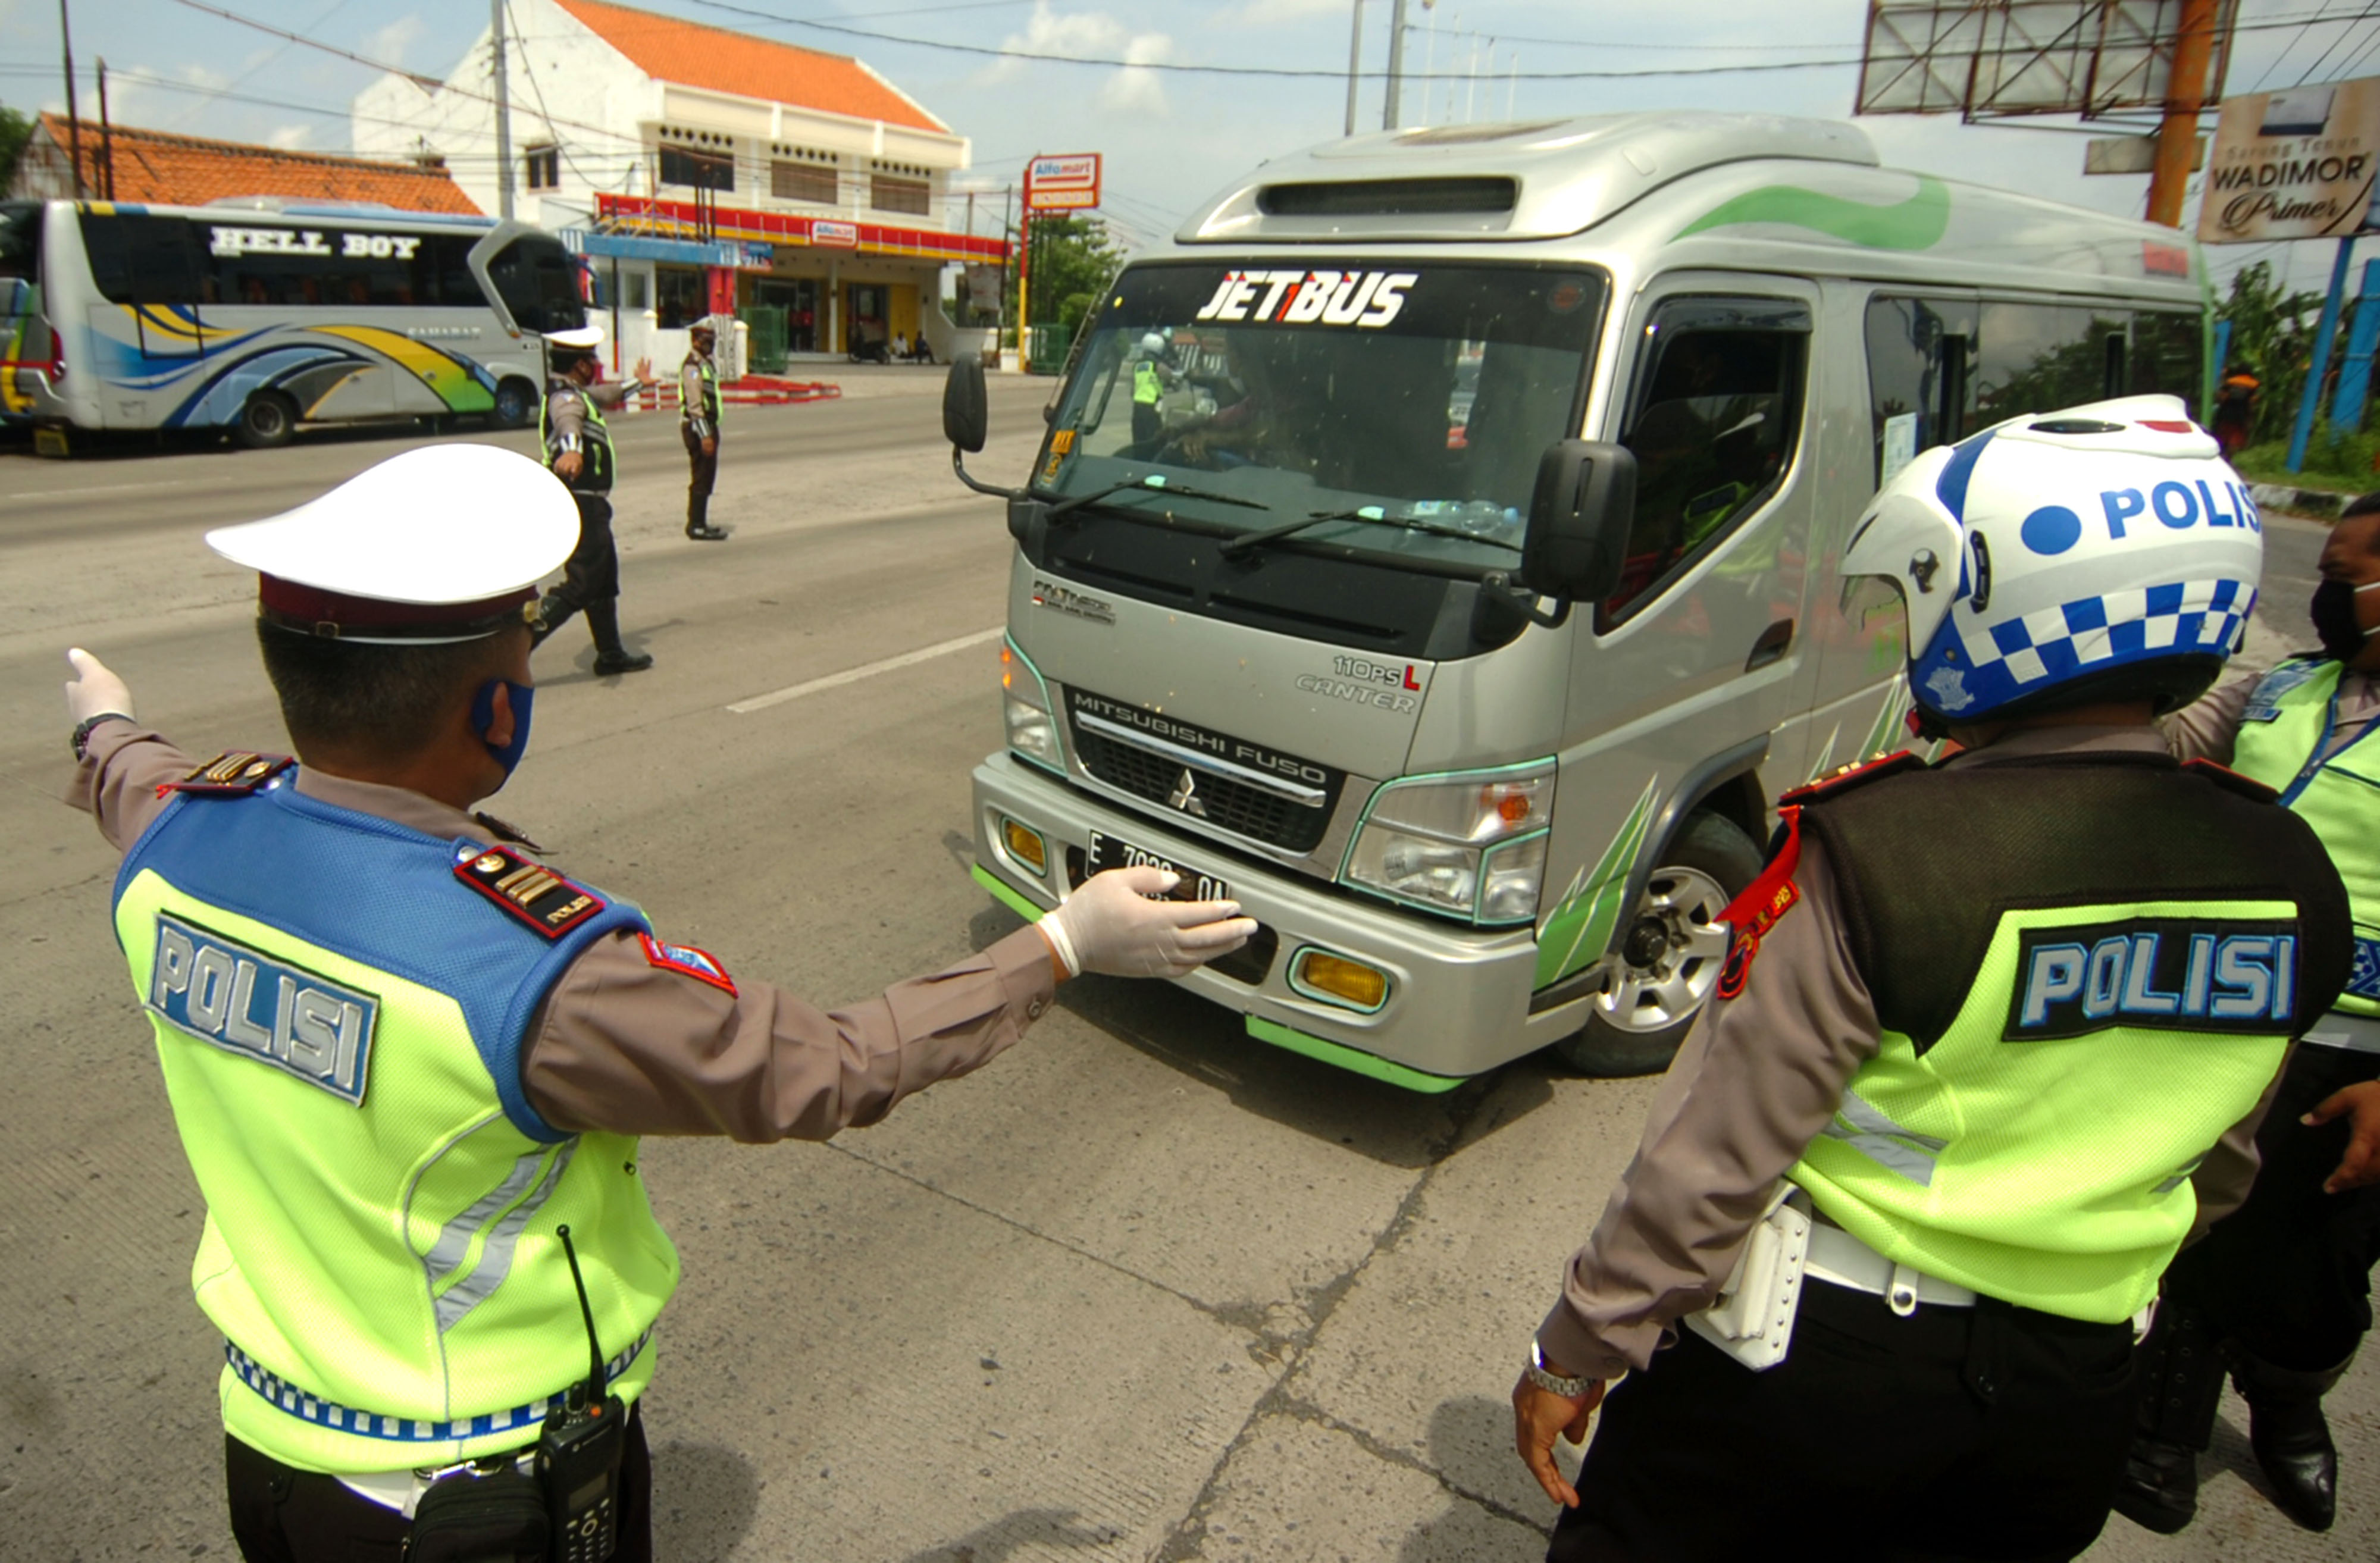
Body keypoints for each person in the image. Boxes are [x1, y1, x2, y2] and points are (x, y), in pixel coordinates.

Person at [59, 443, 1255, 1563]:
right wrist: (1059, 941)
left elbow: (129, 770)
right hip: (469, 1496)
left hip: (272, 1455)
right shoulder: (533, 973)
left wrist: (103, 716)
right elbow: (824, 1068)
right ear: (493, 708)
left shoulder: (175, 840)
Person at [1510, 399, 2362, 1563]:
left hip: (1812, 1372)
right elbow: (2217, 1165)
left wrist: (1578, 1344)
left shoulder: (1880, 850)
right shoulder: (2287, 872)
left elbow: (1709, 1161)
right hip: (2072, 1397)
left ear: (2007, 606)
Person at [2116, 491, 2380, 1535]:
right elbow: (2169, 740)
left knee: (2314, 1263)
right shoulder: (2284, 684)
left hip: (2350, 1055)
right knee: (2190, 1229)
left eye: (2345, 577)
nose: (2324, 595)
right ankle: (2161, 1426)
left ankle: (2289, 1401)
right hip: (2216, 1019)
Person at [533, 324, 654, 676]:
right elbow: (567, 422)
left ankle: (611, 653)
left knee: (603, 579)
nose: (596, 366)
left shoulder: (574, 391)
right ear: (582, 365)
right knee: (582, 583)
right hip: (580, 502)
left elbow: (607, 394)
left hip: (589, 503)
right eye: (592, 360)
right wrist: (572, 452)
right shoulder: (566, 398)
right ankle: (519, 644)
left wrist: (638, 385)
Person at [679, 323, 728, 543]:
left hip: (708, 426)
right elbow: (694, 406)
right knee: (701, 475)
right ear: (696, 341)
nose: (711, 346)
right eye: (707, 342)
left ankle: (701, 522)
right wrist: (705, 436)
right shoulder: (692, 367)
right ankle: (696, 525)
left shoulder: (705, 365)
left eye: (712, 342)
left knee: (708, 475)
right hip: (699, 428)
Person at [2212, 364, 2260, 457]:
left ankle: (2220, 456)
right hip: (2241, 417)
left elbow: (2221, 398)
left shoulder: (2231, 382)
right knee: (2235, 441)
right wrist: (2250, 417)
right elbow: (2252, 402)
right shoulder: (2254, 384)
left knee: (2222, 438)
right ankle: (2228, 460)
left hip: (2225, 414)